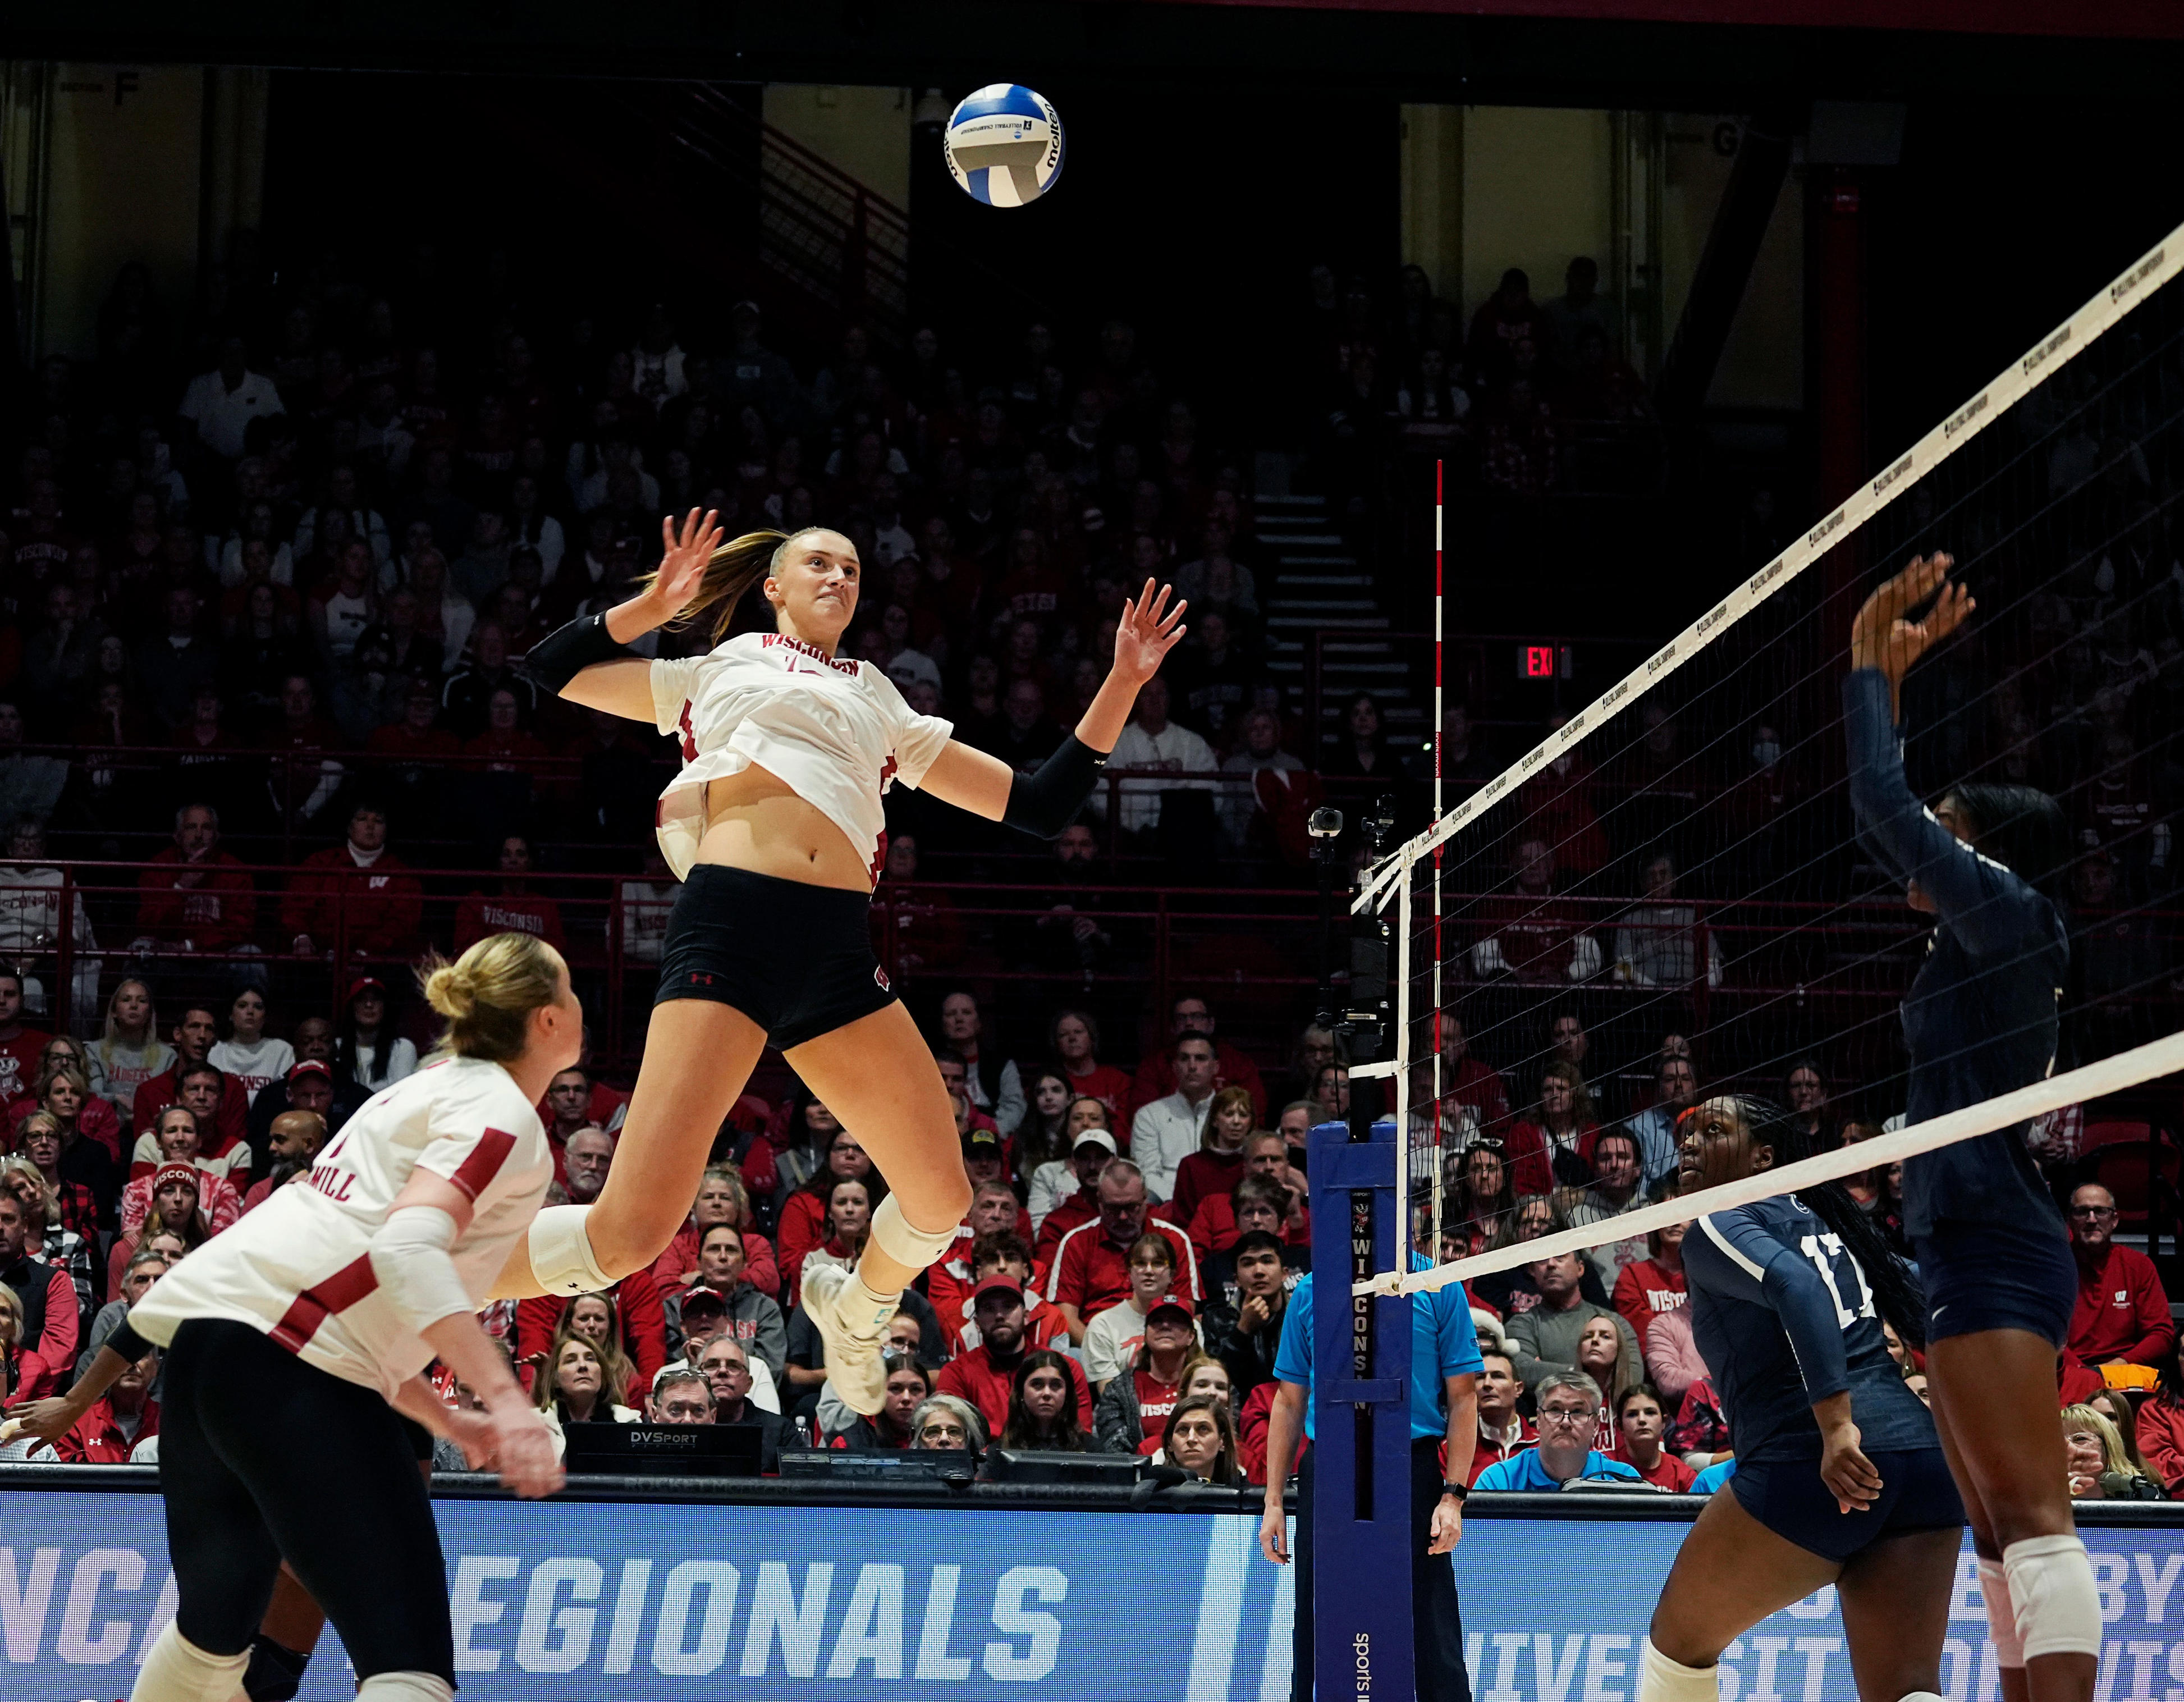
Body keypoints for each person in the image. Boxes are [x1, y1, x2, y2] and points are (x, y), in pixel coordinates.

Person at [505, 513, 1184, 1415]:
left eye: (852, 570)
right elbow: (550, 670)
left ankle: (854, 1308)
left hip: (832, 947)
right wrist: (652, 605)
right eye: (816, 564)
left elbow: (1040, 804)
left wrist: (1121, 681)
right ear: (774, 588)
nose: (837, 577)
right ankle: (440, 1270)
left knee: (941, 1199)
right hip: (730, 925)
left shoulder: (881, 701)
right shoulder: (719, 666)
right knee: (631, 1231)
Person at [10, 931, 579, 1702]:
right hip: (291, 1366)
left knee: (211, 1640)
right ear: (547, 1019)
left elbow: (348, 1285)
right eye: (572, 992)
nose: (579, 1007)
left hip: (208, 1354)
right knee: (408, 1666)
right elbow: (406, 1254)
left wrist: (449, 1420)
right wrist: (507, 1404)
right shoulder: (501, 1113)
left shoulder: (420, 1089)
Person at [1844, 553, 2096, 1702]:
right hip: (1955, 1234)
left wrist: (1867, 674)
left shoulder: (2010, 911)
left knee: (2032, 1517)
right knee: (1994, 1527)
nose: (1925, 846)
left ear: (1988, 847)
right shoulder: (1973, 935)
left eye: (1952, 827)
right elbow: (1895, 828)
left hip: (1996, 1233)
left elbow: (1881, 811)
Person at [1641, 1093, 1962, 1702]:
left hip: (1813, 1462)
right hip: (1923, 1462)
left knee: (1676, 1648)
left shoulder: (1719, 1222)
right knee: (1908, 1690)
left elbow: (1799, 1286)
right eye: (1688, 1130)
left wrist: (1838, 1426)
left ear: (1763, 1156)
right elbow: (1944, 1297)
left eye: (1715, 1130)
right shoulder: (1840, 1229)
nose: (1690, 1141)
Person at [1261, 1233, 1481, 1702]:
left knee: (1432, 1625)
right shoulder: (1311, 1291)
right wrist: (1273, 1502)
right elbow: (1288, 1401)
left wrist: (1452, 1496)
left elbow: (1463, 1398)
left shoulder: (1439, 1285)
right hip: (1331, 1470)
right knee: (1319, 1617)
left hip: (1411, 1467)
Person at [1046, 1158, 1199, 1342]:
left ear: (1145, 1199)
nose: (1123, 1217)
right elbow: (1066, 1317)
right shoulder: (1076, 1242)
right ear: (1100, 1202)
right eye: (1113, 1208)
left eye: (1131, 1207)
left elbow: (1185, 1308)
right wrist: (1102, 1351)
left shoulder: (1175, 1240)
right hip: (1094, 1341)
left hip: (1160, 1341)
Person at [937, 1271, 1092, 1440]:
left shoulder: (1066, 1369)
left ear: (1026, 1317)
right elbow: (952, 1438)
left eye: (1008, 1306)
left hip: (1053, 1459)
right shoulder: (956, 1373)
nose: (999, 1316)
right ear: (977, 1323)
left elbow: (1081, 1435)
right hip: (983, 1463)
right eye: (989, 1309)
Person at [1472, 1370, 1646, 1489]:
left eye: (1578, 1411)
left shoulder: (1622, 1479)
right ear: (1539, 1420)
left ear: (1595, 1424)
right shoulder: (1500, 1480)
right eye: (1555, 1410)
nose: (1565, 1422)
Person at [2065, 1183, 2173, 1368]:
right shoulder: (2055, 1267)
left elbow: (2161, 1333)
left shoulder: (2138, 1265)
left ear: (2114, 1220)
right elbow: (2043, 1334)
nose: (2092, 1220)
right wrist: (2082, 1373)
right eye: (2082, 1212)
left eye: (2100, 1211)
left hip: (2125, 1371)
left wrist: (2117, 1366)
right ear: (2069, 1220)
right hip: (2068, 1372)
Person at [1507, 1248, 1642, 1394]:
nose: (1551, 1264)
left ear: (1580, 1268)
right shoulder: (1521, 1325)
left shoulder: (1615, 1322)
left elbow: (1632, 1375)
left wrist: (1547, 1371)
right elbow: (1522, 1371)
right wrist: (1593, 1373)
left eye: (1560, 1256)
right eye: (1542, 1258)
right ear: (1533, 1271)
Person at [1130, 1034, 1220, 1203]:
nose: (1192, 1066)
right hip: (1167, 1205)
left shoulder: (1230, 1113)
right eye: (1185, 1059)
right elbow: (1148, 1174)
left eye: (1200, 1059)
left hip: (1219, 1203)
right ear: (1174, 1067)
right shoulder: (1149, 1115)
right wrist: (1178, 1204)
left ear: (1215, 1067)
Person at [92, 979, 176, 1136]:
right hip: (106, 1131)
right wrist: (118, 1098)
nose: (134, 1005)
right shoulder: (94, 1051)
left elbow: (169, 1102)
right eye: (126, 1000)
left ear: (150, 1013)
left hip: (153, 1133)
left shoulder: (168, 1056)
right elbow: (92, 1095)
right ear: (114, 1011)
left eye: (142, 1001)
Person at [209, 989, 294, 1108]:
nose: (250, 1011)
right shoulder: (215, 1050)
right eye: (242, 1006)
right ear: (230, 1014)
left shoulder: (282, 1050)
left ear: (265, 1016)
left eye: (258, 1007)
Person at [2061, 1403, 2163, 1500]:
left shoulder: (2144, 1498)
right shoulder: (2046, 1505)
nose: (2068, 1447)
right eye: (2058, 1441)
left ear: (2109, 1450)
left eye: (2080, 1438)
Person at [1467, 1350, 1535, 1484]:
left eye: (1498, 1376)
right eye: (1480, 1377)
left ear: (1518, 1389)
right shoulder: (1453, 1448)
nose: (1487, 1384)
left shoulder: (1542, 1445)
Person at [1000, 1348, 1088, 1451]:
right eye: (1037, 1384)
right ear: (1021, 1393)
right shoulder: (1000, 1452)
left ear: (1067, 1395)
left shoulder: (1092, 1451)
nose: (1047, 1393)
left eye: (1056, 1385)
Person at [1617, 1384, 1696, 1490]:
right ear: (1620, 1426)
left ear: (1664, 1422)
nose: (1642, 1420)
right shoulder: (1603, 1467)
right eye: (1632, 1414)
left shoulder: (1683, 1475)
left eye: (1650, 1413)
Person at [1163, 1392, 1243, 1483]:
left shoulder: (1244, 1493)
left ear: (1222, 1441)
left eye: (1203, 1429)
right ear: (1170, 1443)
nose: (1191, 1439)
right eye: (1183, 1429)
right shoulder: (1149, 1493)